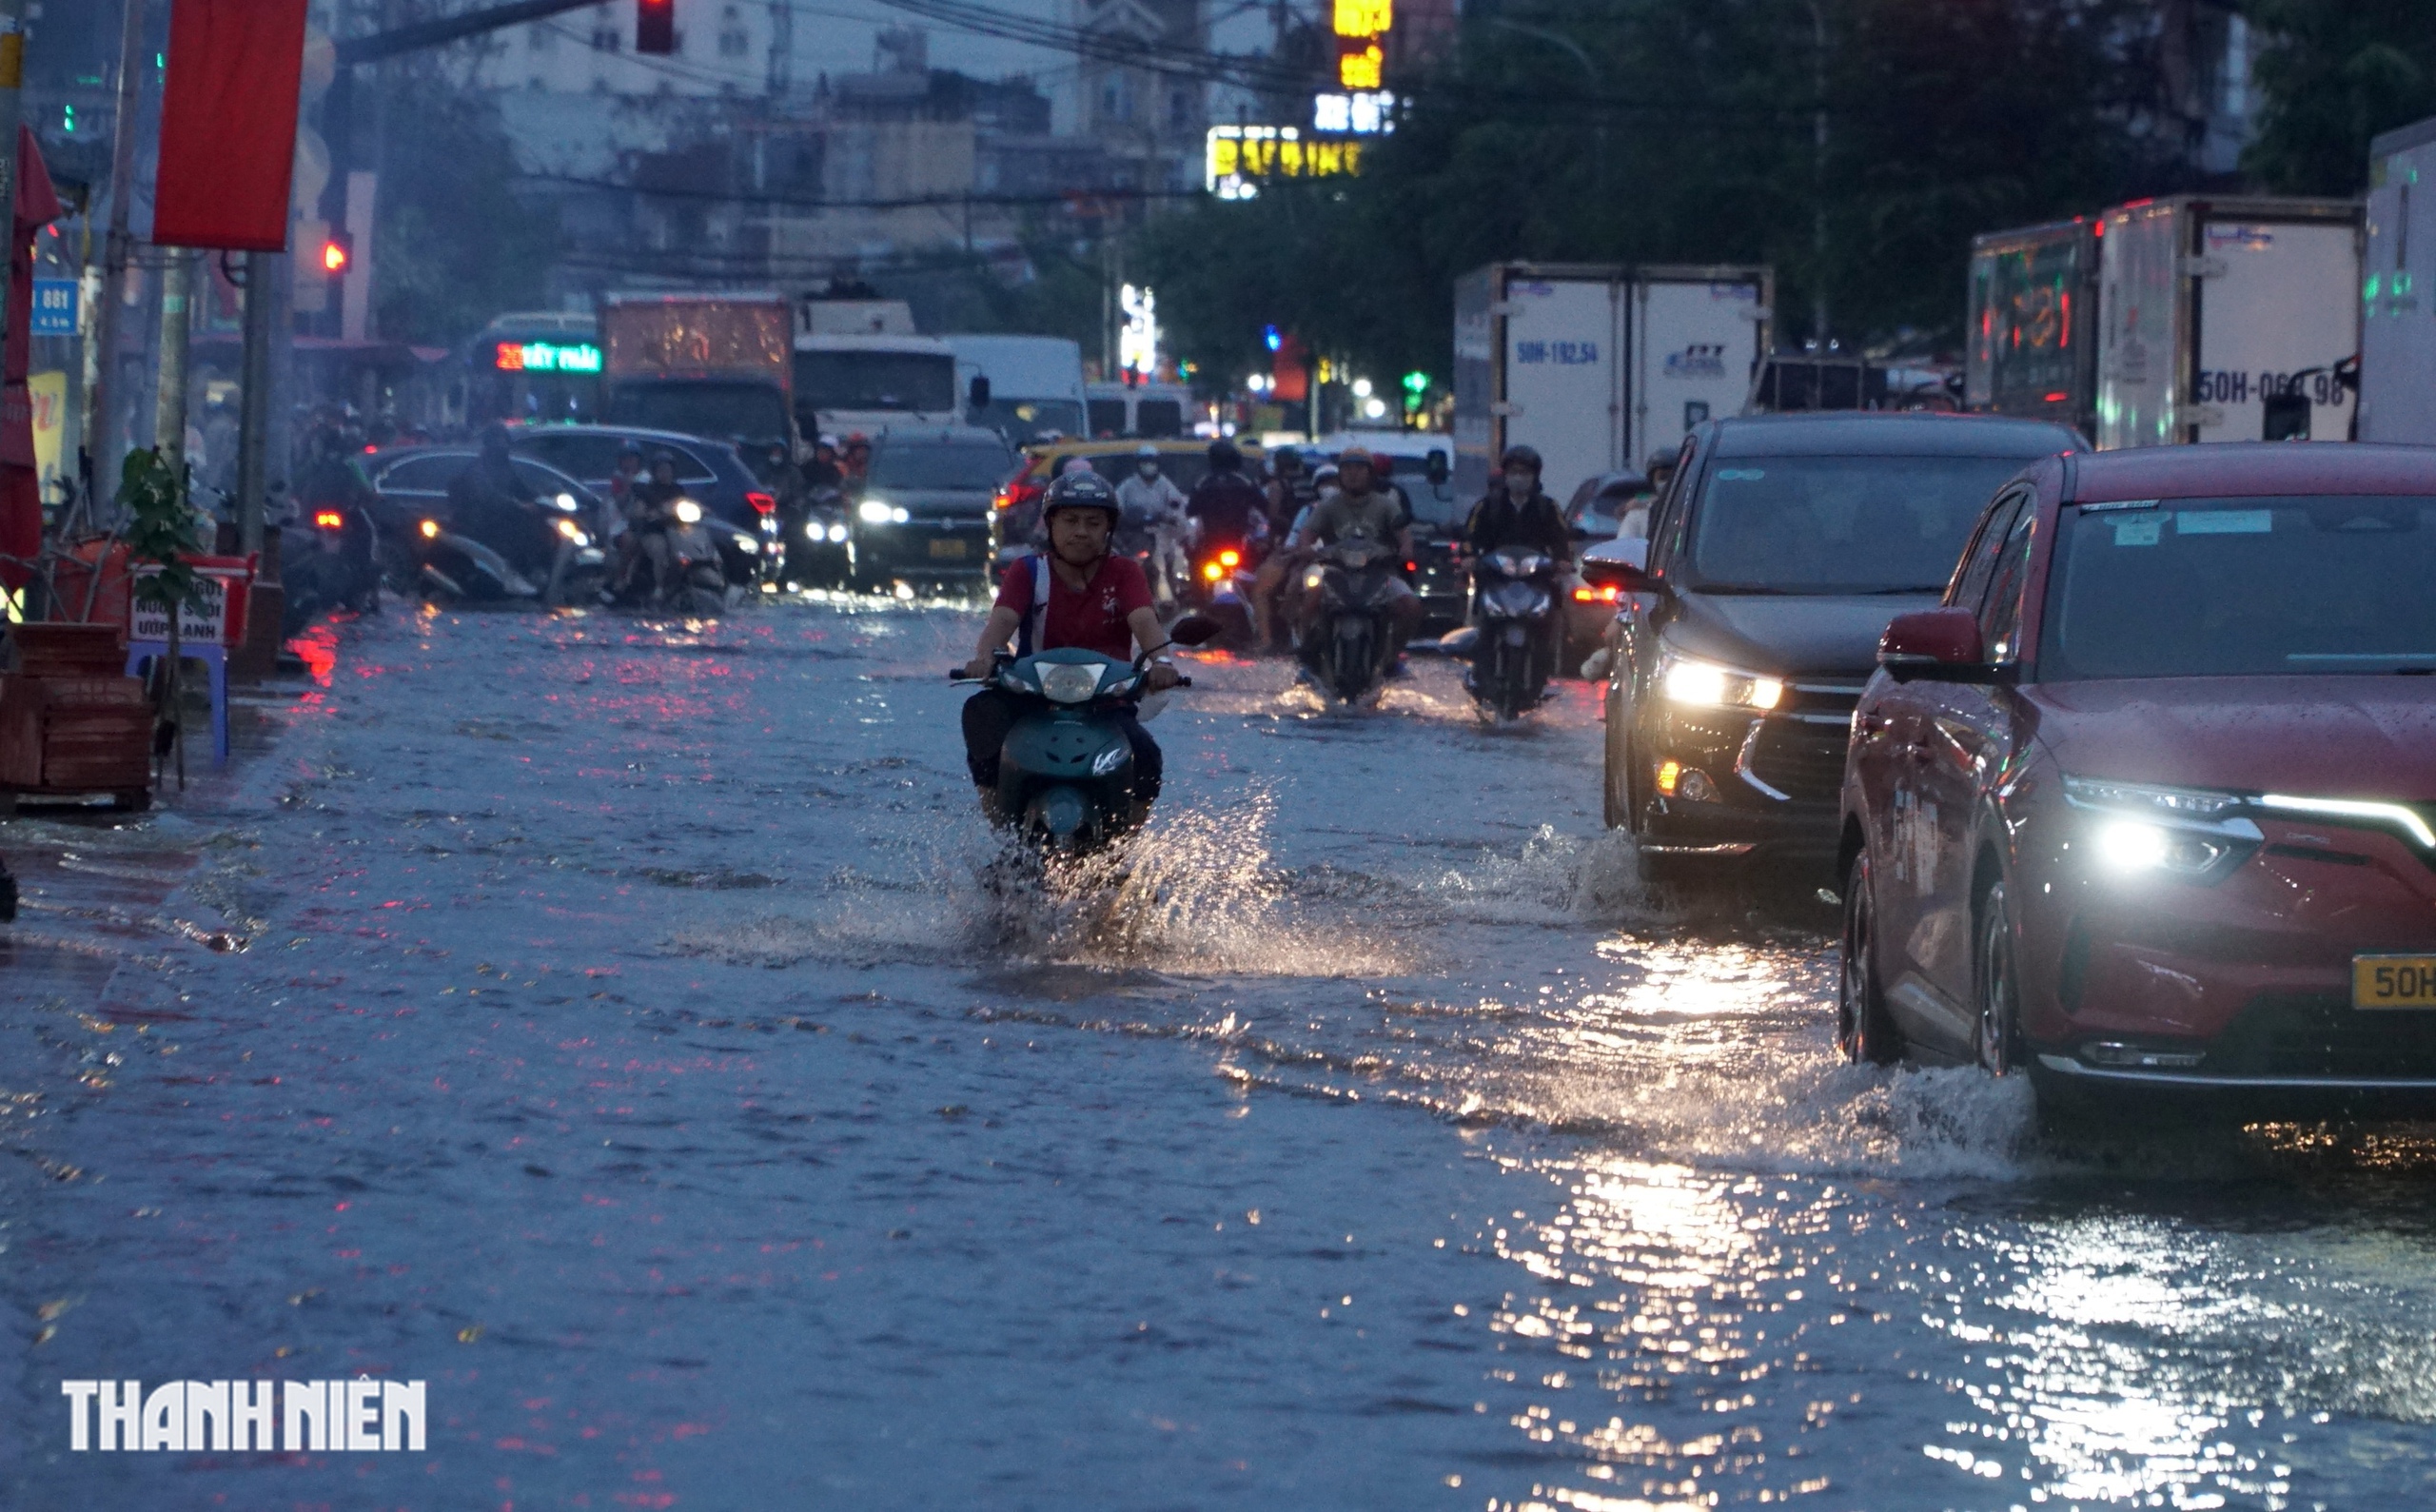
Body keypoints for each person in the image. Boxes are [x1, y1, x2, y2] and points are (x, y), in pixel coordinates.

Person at [960, 472, 1183, 818]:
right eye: (1070, 521)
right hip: (1033, 698)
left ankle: (1121, 849)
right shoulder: (1028, 572)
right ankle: (1001, 829)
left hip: (1107, 702)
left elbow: (1144, 622)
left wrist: (1163, 663)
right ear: (1050, 525)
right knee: (983, 724)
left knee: (1145, 755)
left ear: (1108, 529)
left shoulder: (1125, 573)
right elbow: (1001, 622)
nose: (1081, 531)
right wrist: (984, 658)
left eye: (1093, 523)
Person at [1289, 448, 1422, 672]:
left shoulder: (1386, 505)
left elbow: (1404, 535)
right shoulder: (1329, 506)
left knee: (1412, 606)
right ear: (1340, 474)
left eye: (1359, 469)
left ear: (1370, 474)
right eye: (1347, 469)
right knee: (1311, 599)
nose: (1353, 474)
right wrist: (1306, 549)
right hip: (1335, 574)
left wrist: (1406, 549)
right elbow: (1307, 534)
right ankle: (1309, 651)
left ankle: (1392, 655)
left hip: (1380, 575)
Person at [446, 424, 539, 561]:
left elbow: (520, 487)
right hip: (480, 521)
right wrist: (519, 505)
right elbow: (489, 495)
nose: (504, 446)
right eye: (500, 441)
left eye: (505, 441)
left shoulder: (504, 466)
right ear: (491, 443)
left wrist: (541, 497)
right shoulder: (480, 467)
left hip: (499, 518)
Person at [1464, 444, 1572, 562]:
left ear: (1534, 477)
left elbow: (1560, 536)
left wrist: (1562, 560)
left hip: (1538, 575)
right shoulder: (1487, 506)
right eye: (1513, 472)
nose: (1518, 477)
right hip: (1493, 575)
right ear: (1505, 475)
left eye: (1524, 473)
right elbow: (1470, 535)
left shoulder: (1548, 506)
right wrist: (1469, 556)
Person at [1116, 444, 1190, 605]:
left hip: (1164, 534)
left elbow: (1176, 508)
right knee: (1141, 565)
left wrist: (1170, 518)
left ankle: (1175, 597)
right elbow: (1117, 508)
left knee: (1172, 561)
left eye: (1151, 461)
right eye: (1144, 461)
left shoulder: (1165, 485)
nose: (1148, 465)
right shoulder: (1128, 486)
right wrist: (1129, 520)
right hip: (1137, 536)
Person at [1186, 438, 1268, 554]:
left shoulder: (1203, 482)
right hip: (1216, 541)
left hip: (1234, 540)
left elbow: (1190, 510)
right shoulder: (1244, 482)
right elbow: (1263, 506)